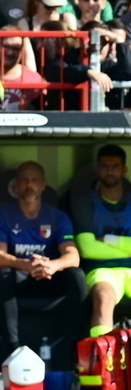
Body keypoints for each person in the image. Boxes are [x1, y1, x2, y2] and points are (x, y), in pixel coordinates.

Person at [0, 160, 85, 358]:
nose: (29, 185)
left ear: (43, 185)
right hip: (21, 277)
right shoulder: (1, 215)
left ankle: (77, 347)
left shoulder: (58, 217)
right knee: (3, 275)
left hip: (49, 276)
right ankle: (12, 350)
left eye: (34, 181)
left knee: (77, 275)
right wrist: (24, 264)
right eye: (24, 181)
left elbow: (73, 256)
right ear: (15, 186)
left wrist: (53, 265)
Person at [74, 144, 131, 338]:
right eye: (105, 166)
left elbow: (97, 244)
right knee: (104, 297)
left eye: (115, 166)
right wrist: (128, 246)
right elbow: (87, 248)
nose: (109, 171)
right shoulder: (86, 202)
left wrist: (108, 239)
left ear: (124, 169)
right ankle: (102, 361)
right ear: (98, 169)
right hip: (102, 270)